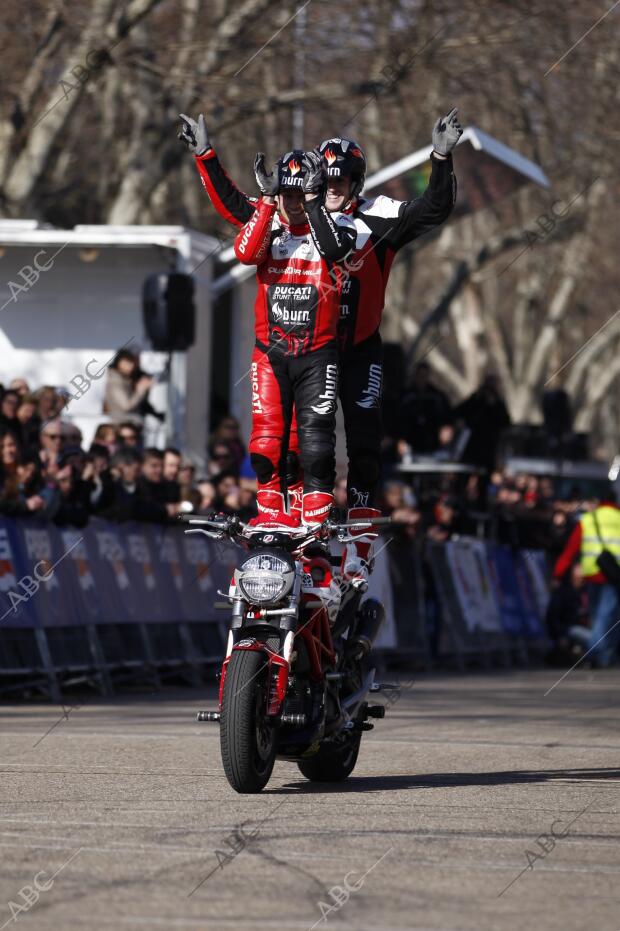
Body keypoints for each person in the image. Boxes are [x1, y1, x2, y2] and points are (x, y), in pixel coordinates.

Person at [179, 109, 459, 571]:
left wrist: (441, 157)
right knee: (292, 443)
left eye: (342, 182)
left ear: (357, 184)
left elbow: (433, 208)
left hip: (359, 349)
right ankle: (292, 527)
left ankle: (360, 550)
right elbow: (237, 207)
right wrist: (205, 156)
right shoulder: (291, 212)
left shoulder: (380, 216)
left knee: (365, 446)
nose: (332, 190)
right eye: (324, 182)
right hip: (305, 351)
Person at [230, 147, 356, 526]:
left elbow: (336, 249)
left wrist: (316, 204)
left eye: (302, 194)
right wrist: (267, 201)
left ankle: (315, 525)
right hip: (270, 354)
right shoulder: (268, 225)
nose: (294, 202)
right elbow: (244, 254)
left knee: (316, 447)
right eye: (288, 193)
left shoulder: (340, 226)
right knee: (266, 446)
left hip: (318, 355)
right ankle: (271, 519)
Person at [553, 487, 620, 667]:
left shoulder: (588, 519)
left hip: (592, 575)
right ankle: (597, 654)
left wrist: (558, 573)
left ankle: (602, 656)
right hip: (614, 577)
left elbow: (571, 549)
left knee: (599, 618)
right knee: (608, 619)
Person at [397, 361, 452, 454]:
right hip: (409, 443)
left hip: (432, 442)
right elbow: (398, 418)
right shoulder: (406, 396)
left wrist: (447, 427)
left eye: (424, 376)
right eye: (419, 375)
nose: (421, 379)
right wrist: (400, 438)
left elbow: (448, 416)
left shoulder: (436, 396)